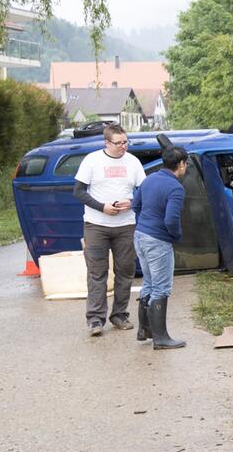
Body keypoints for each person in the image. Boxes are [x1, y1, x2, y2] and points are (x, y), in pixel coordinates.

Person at [73, 124, 146, 337]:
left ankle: (120, 315)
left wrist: (131, 202)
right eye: (118, 143)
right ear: (107, 143)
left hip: (125, 226)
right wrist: (102, 207)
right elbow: (78, 191)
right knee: (97, 273)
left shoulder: (133, 162)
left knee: (125, 271)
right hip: (96, 225)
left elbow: (143, 189)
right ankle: (95, 319)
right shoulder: (92, 160)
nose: (123, 147)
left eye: (125, 142)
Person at [131, 145, 188, 350]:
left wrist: (146, 224)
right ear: (181, 164)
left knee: (149, 283)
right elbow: (171, 219)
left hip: (140, 236)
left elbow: (135, 206)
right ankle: (161, 338)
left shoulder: (149, 179)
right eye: (185, 163)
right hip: (157, 241)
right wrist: (176, 236)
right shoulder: (175, 187)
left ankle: (144, 330)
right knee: (161, 288)